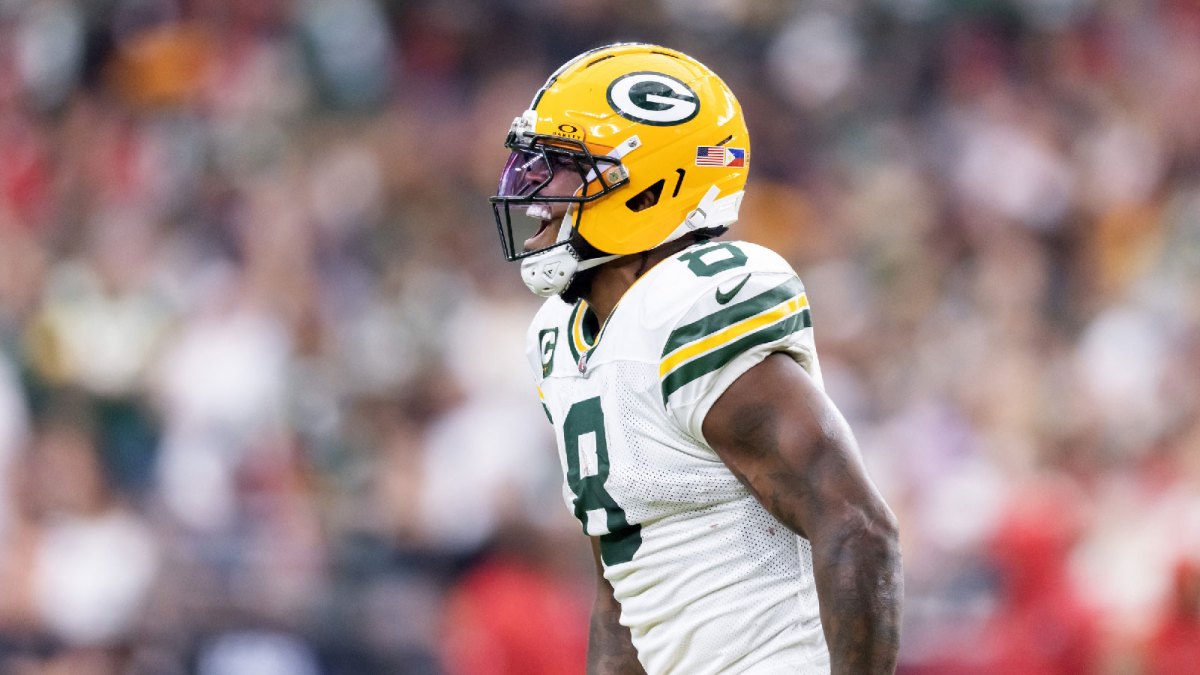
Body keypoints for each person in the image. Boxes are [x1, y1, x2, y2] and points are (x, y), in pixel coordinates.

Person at [489, 43, 902, 674]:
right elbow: (625, 591)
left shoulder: (690, 304)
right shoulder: (560, 338)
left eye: (563, 168)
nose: (537, 195)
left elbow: (857, 526)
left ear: (650, 188)